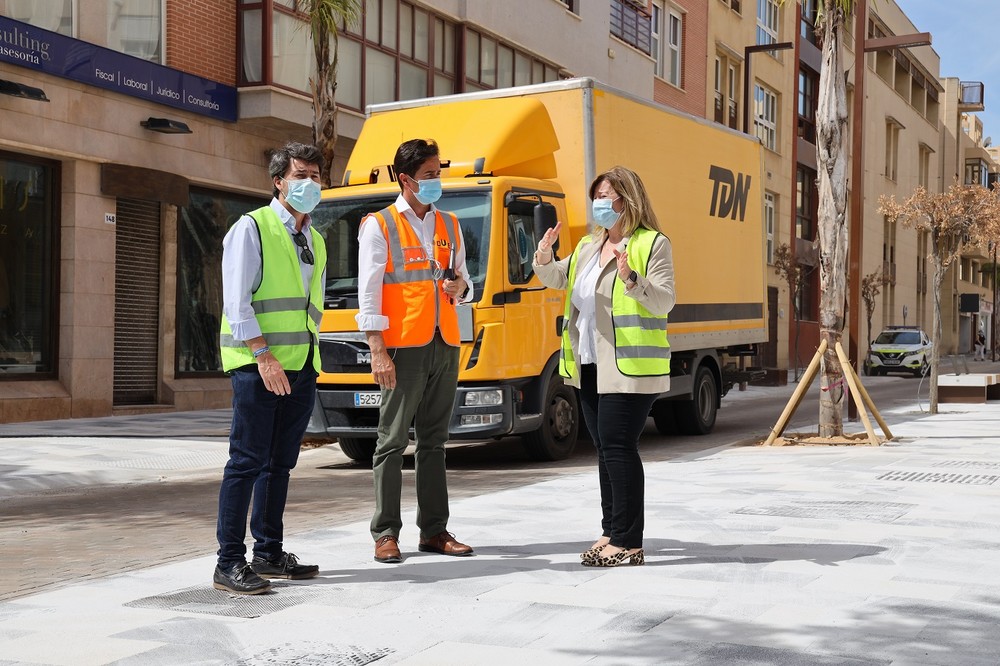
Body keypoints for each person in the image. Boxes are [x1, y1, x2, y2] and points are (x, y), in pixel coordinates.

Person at [533, 166, 675, 568]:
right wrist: (544, 254)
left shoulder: (652, 244)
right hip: (590, 363)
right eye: (595, 196)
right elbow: (558, 279)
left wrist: (631, 277)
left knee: (617, 445)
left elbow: (664, 301)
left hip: (630, 366)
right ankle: (612, 530)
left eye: (606, 196)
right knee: (604, 449)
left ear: (626, 200)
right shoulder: (586, 247)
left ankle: (629, 541)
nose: (599, 204)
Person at [214, 142, 327, 594]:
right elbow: (237, 302)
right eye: (301, 176)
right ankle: (228, 562)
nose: (310, 184)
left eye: (317, 176)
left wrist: (306, 362)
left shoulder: (315, 238)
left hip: (300, 366)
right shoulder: (252, 228)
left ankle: (268, 553)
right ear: (279, 181)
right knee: (245, 462)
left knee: (279, 464)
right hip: (257, 364)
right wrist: (263, 355)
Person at [357, 138, 475, 563]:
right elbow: (368, 294)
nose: (436, 183)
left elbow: (466, 282)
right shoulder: (380, 224)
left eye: (438, 175)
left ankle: (435, 532)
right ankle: (385, 533)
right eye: (429, 176)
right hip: (403, 348)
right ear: (405, 179)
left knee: (434, 441)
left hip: (444, 343)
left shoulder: (449, 224)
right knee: (390, 441)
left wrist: (460, 287)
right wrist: (378, 350)